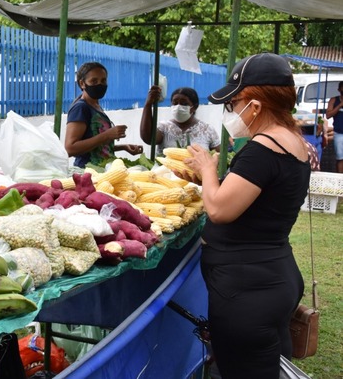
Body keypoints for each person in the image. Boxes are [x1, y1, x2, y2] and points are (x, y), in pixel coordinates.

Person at [177, 53, 310, 379]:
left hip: (249, 292)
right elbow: (255, 202)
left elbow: (220, 209)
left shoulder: (263, 148)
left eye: (234, 102)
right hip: (270, 277)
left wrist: (208, 169)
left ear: (255, 105)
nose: (231, 111)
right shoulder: (293, 141)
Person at [64, 62, 143, 168]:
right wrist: (107, 135)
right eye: (94, 81)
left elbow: (97, 147)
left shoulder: (96, 106)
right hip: (87, 172)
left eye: (103, 80)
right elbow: (70, 148)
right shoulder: (80, 108)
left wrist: (123, 147)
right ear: (82, 83)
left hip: (103, 171)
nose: (99, 85)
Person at [140, 85, 220, 155]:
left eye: (184, 104)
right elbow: (148, 138)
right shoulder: (164, 128)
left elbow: (218, 157)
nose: (178, 107)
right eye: (175, 103)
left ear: (194, 107)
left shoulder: (207, 130)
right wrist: (148, 104)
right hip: (167, 172)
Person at [325, 80, 343, 173]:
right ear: (339, 89)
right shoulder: (334, 100)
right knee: (340, 158)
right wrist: (340, 105)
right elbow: (328, 115)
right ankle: (340, 179)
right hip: (339, 133)